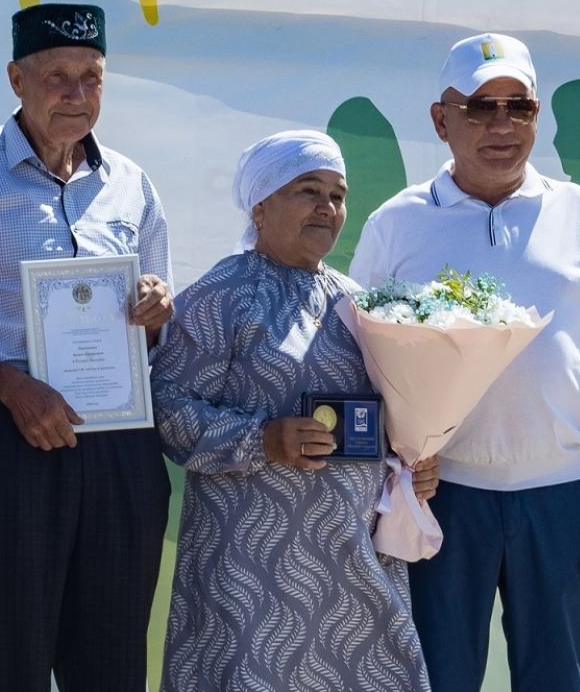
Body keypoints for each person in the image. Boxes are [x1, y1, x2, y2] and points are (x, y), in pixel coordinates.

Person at [349, 33, 580, 692]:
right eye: (479, 106)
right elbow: (359, 364)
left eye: (517, 106)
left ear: (536, 115)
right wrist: (394, 462)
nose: (500, 125)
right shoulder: (395, 224)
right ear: (441, 119)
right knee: (436, 682)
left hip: (564, 502)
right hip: (442, 503)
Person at [0, 3, 174, 692]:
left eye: (92, 77)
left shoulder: (131, 184)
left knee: (111, 663)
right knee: (5, 659)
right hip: (5, 435)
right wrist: (9, 388)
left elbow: (159, 322)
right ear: (16, 79)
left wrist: (157, 311)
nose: (77, 96)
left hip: (119, 443)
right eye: (57, 77)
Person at [152, 130, 436, 692]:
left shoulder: (360, 305)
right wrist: (264, 439)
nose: (327, 208)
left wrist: (412, 465)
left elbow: (385, 422)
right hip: (248, 567)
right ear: (261, 204)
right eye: (309, 190)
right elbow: (168, 411)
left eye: (337, 194)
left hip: (352, 562)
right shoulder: (221, 295)